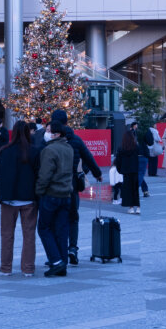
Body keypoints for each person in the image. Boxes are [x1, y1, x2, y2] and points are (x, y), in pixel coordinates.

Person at [0, 121, 38, 276]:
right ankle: (28, 268)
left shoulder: (4, 151)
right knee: (29, 234)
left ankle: (5, 268)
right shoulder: (34, 151)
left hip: (8, 199)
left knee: (7, 235)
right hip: (28, 199)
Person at [58, 111, 103, 266]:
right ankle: (72, 249)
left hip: (56, 185)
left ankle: (59, 252)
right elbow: (88, 157)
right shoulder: (76, 140)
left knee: (58, 219)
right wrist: (97, 173)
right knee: (73, 217)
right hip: (73, 185)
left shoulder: (52, 141)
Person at [35, 122, 75, 277]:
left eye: (50, 131)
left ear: (57, 134)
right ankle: (62, 264)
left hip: (51, 194)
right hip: (66, 194)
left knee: (44, 228)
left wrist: (39, 191)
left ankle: (56, 261)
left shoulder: (49, 150)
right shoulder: (69, 148)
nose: (47, 133)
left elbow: (45, 175)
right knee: (61, 230)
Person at [115, 130, 141, 214]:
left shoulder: (121, 148)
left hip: (126, 171)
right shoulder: (136, 147)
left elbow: (118, 161)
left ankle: (130, 207)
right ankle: (138, 207)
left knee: (128, 189)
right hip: (135, 170)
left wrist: (120, 170)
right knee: (136, 188)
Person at [131, 121, 151, 198]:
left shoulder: (131, 133)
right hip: (142, 155)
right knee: (140, 173)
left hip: (133, 156)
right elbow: (150, 142)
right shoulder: (145, 131)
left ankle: (145, 190)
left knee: (138, 173)